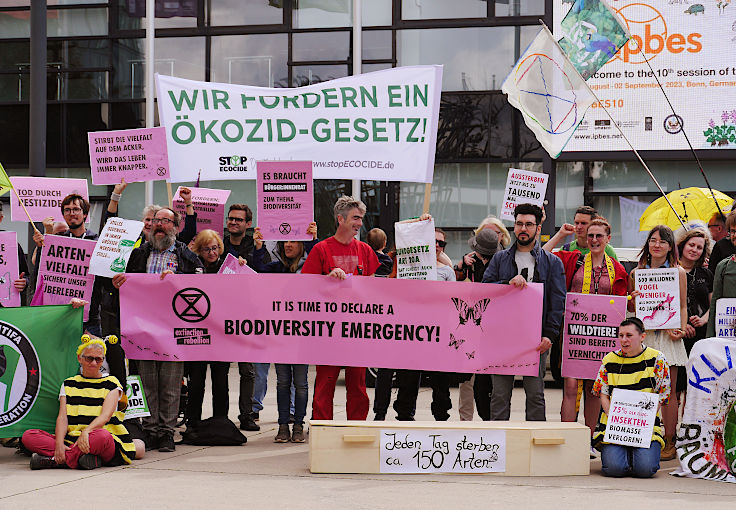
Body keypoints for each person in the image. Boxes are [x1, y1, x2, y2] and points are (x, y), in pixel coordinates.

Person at [111, 207, 204, 452]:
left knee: (171, 384)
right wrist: (118, 282)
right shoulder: (138, 254)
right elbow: (119, 283)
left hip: (174, 331)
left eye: (165, 221)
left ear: (176, 226)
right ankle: (151, 430)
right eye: (155, 221)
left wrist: (180, 279)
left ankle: (166, 433)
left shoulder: (187, 256)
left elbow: (202, 285)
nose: (159, 225)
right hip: (142, 330)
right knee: (147, 383)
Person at [482, 203, 566, 421]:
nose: (523, 228)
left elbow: (557, 303)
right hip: (502, 339)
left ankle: (535, 446)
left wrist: (550, 335)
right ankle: (496, 446)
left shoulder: (552, 262)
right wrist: (506, 283)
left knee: (535, 394)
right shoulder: (500, 259)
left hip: (535, 339)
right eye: (519, 223)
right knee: (499, 395)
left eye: (529, 224)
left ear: (538, 228)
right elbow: (485, 291)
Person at [302, 196, 379, 420]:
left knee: (359, 387)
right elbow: (306, 290)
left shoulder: (365, 250)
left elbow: (373, 290)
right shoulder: (321, 249)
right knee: (324, 386)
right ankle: (323, 431)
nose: (359, 223)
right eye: (355, 218)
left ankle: (356, 430)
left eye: (361, 219)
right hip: (328, 330)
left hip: (357, 330)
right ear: (340, 219)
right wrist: (327, 279)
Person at [553, 218, 628, 447]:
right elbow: (540, 255)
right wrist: (560, 236)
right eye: (591, 235)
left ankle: (589, 441)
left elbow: (622, 304)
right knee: (571, 386)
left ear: (608, 239)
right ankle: (567, 439)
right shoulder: (573, 260)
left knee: (594, 388)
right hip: (575, 333)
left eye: (599, 236)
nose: (594, 240)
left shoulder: (617, 268)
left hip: (602, 338)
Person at [21, 335, 142, 470]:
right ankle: (83, 458)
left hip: (98, 437)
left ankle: (56, 460)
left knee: (103, 436)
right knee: (28, 436)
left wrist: (87, 432)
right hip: (72, 439)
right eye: (89, 358)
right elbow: (62, 417)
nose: (94, 363)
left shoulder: (112, 383)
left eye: (98, 359)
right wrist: (59, 444)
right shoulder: (68, 384)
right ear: (80, 358)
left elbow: (105, 417)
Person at [252, 223, 318, 443]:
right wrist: (260, 247)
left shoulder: (310, 266)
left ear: (302, 244)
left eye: (294, 241)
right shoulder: (276, 267)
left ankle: (298, 424)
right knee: (282, 382)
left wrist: (314, 239)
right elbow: (258, 271)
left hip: (303, 336)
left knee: (301, 383)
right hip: (280, 335)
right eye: (285, 241)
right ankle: (283, 425)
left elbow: (321, 267)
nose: (288, 245)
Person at [627, 225, 687, 461]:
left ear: (670, 246)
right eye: (653, 240)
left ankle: (670, 439)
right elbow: (632, 309)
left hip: (668, 336)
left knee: (668, 392)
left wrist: (680, 328)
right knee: (642, 389)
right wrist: (632, 301)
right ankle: (642, 436)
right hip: (645, 336)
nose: (657, 245)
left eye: (662, 241)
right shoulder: (636, 273)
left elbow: (682, 305)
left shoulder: (678, 272)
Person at [592, 317, 670, 478]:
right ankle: (622, 455)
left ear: (642, 336)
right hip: (615, 426)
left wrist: (644, 420)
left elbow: (662, 394)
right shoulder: (609, 360)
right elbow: (603, 394)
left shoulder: (657, 359)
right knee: (614, 470)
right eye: (620, 335)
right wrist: (615, 418)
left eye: (629, 335)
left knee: (645, 469)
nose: (623, 340)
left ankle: (634, 455)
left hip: (645, 427)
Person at [185, 230, 233, 431]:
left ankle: (221, 421)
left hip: (221, 335)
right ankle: (193, 422)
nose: (212, 253)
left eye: (215, 248)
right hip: (197, 335)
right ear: (199, 249)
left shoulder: (228, 268)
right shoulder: (191, 268)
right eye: (207, 249)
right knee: (196, 382)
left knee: (221, 382)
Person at [677, 228, 713, 355]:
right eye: (691, 245)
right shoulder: (670, 271)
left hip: (702, 336)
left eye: (699, 247)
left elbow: (713, 303)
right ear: (683, 245)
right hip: (676, 334)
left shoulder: (706, 274)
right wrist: (682, 325)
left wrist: (703, 319)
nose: (694, 250)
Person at [543, 205, 619, 261]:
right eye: (576, 223)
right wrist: (559, 234)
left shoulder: (606, 249)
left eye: (583, 223)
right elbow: (541, 256)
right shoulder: (567, 248)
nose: (579, 227)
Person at [706, 212, 736, 338]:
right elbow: (715, 305)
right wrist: (710, 340)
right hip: (728, 338)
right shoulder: (723, 266)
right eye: (733, 231)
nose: (735, 235)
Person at [0, 201, 29, 304]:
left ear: (1, 219)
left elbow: (26, 275)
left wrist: (24, 282)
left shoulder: (12, 244)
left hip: (5, 308)